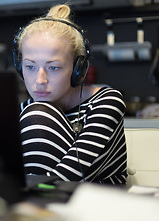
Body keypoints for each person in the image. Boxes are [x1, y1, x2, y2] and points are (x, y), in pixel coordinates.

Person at [13, 4, 127, 184]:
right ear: (20, 68)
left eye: (54, 67)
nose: (40, 79)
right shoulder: (23, 110)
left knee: (37, 114)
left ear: (78, 70)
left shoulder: (107, 102)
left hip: (101, 203)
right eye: (30, 67)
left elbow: (69, 177)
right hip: (42, 206)